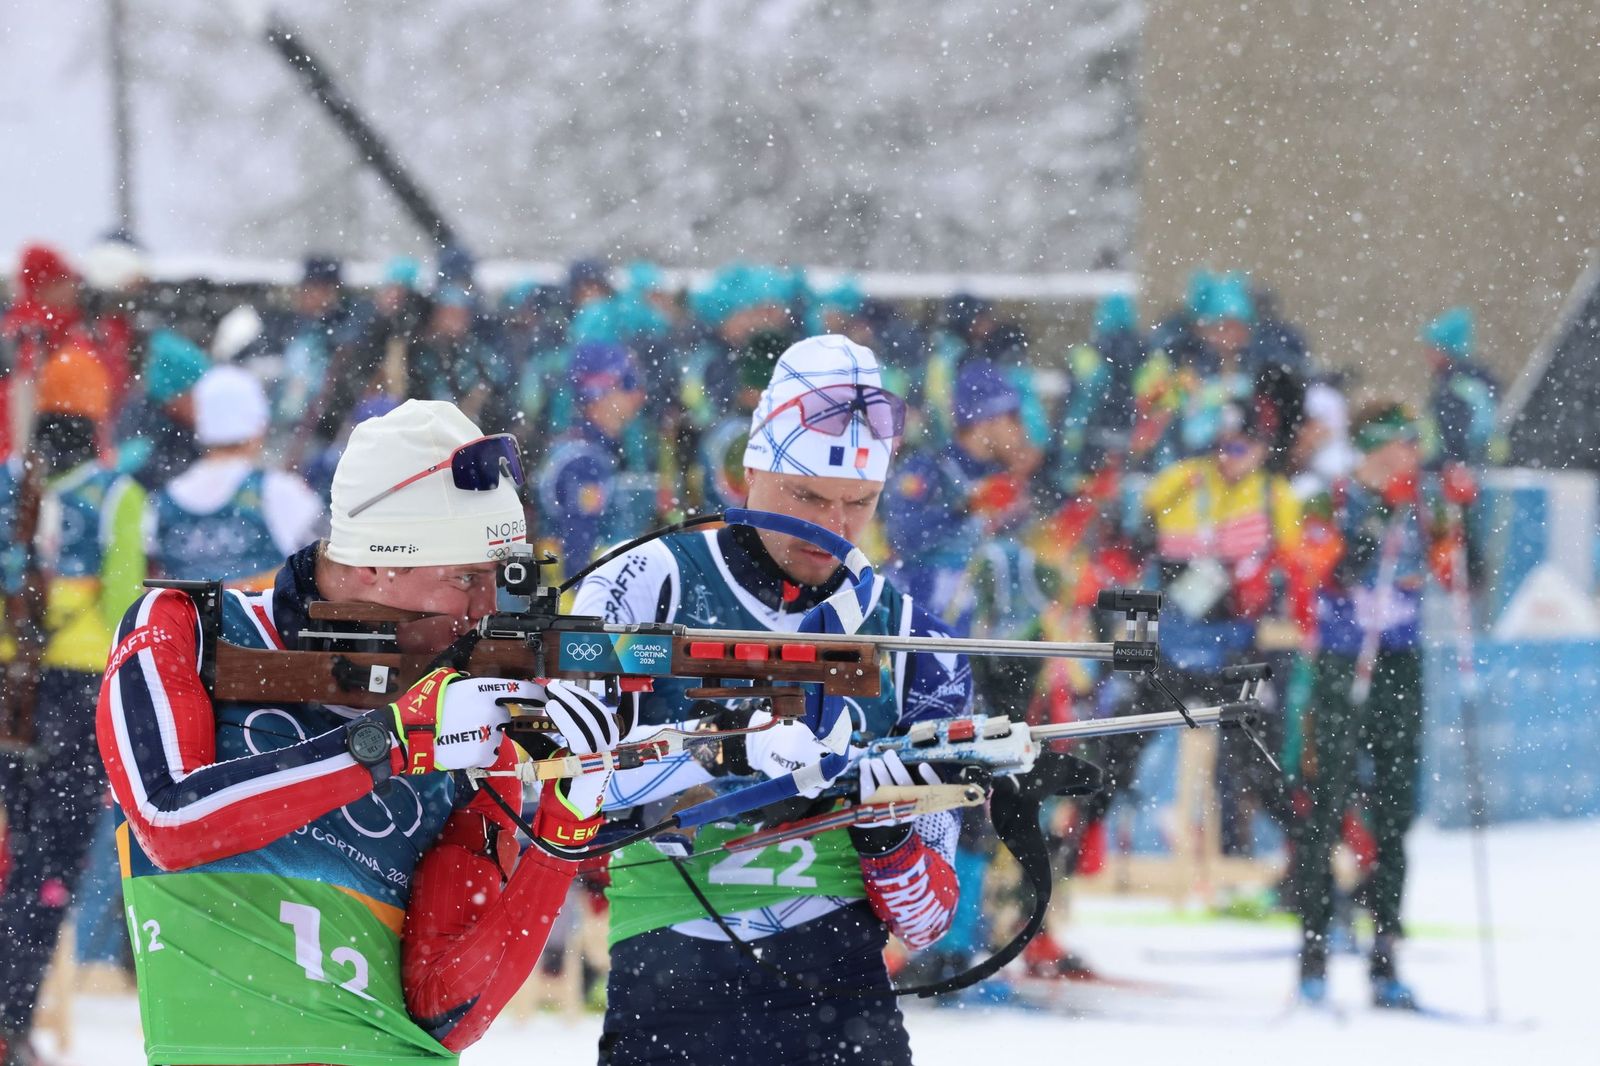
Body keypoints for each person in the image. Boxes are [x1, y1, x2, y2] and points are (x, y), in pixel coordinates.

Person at [95, 399, 626, 1066]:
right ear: (378, 564)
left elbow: (447, 1010)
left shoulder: (466, 696)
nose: (486, 610)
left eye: (500, 581)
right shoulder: (190, 629)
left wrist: (566, 822)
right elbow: (168, 820)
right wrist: (387, 742)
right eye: (466, 577)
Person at [574, 335, 973, 1066]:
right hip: (672, 990)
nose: (832, 526)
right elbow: (566, 784)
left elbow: (927, 920)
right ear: (751, 467)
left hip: (838, 1000)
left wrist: (885, 834)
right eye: (807, 497)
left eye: (859, 503)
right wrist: (721, 749)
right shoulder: (646, 581)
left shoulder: (914, 637)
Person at [1291, 402, 1471, 1010]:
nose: (1409, 458)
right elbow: (1321, 569)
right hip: (1344, 666)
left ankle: (1385, 952)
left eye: (1413, 446)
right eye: (1399, 445)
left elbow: (1456, 576)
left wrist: (1454, 527)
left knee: (1397, 812)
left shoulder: (1424, 502)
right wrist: (1369, 533)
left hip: (1399, 663)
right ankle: (1314, 949)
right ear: (1373, 448)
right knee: (1328, 802)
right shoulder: (1331, 499)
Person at [0, 352, 141, 1065]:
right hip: (75, 693)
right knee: (47, 868)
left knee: (12, 859)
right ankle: (11, 1020)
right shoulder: (119, 495)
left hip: (7, 683)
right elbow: (125, 609)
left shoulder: (7, 484)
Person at [881, 359, 1041, 633]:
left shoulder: (999, 477)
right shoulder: (928, 469)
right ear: (985, 421)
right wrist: (964, 509)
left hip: (969, 633)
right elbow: (901, 535)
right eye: (1013, 418)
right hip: (915, 624)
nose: (1021, 430)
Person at [147, 366, 325, 590]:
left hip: (185, 624)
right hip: (262, 624)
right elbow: (328, 564)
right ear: (258, 425)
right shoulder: (279, 490)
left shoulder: (163, 500)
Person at [533, 342, 658, 575]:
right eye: (628, 383)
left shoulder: (598, 451)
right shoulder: (583, 461)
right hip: (580, 604)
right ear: (598, 393)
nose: (640, 395)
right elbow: (577, 561)